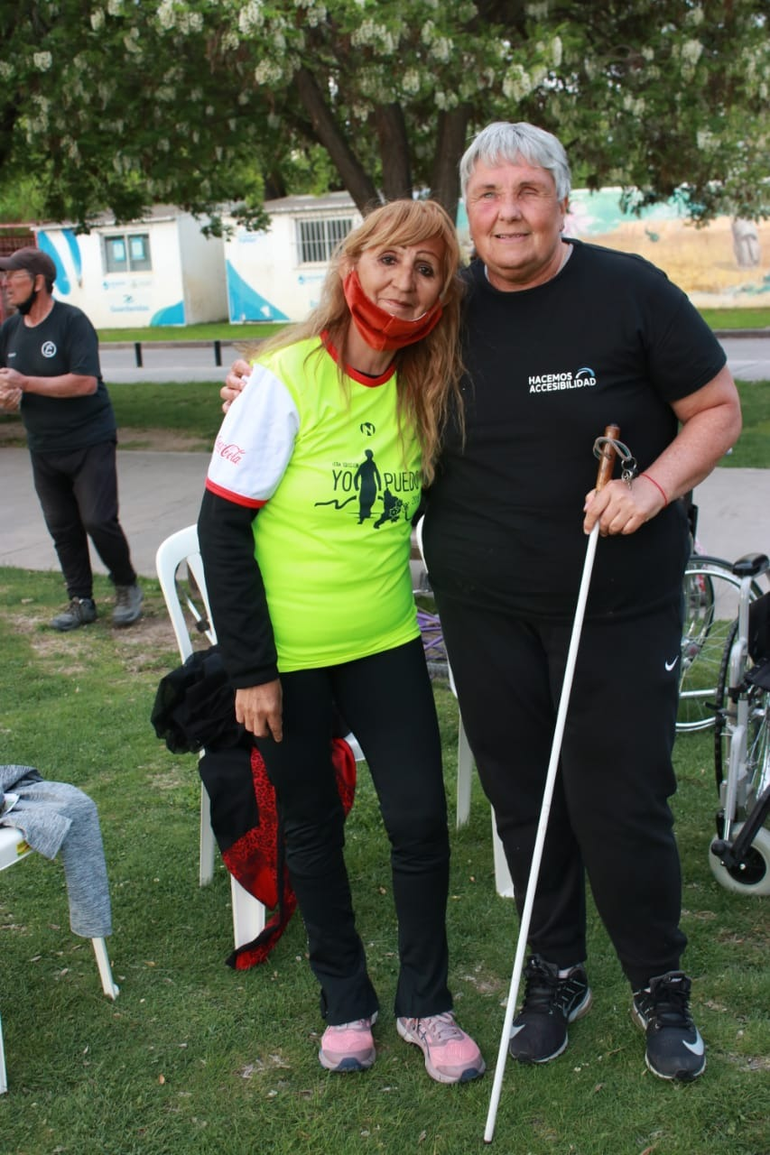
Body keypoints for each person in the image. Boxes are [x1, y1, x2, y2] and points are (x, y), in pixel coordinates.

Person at [223, 124, 742, 1084]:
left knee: (618, 797)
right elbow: (346, 354)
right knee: (524, 799)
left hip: (614, 605)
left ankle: (659, 983)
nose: (508, 211)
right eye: (490, 194)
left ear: (560, 202)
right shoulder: (444, 308)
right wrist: (256, 381)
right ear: (470, 210)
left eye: (529, 191)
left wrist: (651, 488)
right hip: (482, 608)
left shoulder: (631, 292)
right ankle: (554, 973)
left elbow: (718, 408)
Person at [197, 199, 484, 1084]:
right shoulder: (281, 378)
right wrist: (251, 670)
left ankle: (426, 1004)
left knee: (418, 822)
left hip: (386, 644)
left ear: (441, 295)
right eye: (390, 260)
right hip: (287, 663)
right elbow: (222, 531)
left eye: (427, 269)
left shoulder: (426, 385)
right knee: (313, 826)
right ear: (352, 265)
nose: (404, 282)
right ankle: (344, 999)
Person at [0, 247, 142, 631]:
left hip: (89, 440)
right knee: (61, 526)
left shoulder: (72, 322)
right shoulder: (10, 331)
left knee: (97, 519)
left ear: (39, 282)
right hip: (44, 446)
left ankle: (127, 585)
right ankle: (81, 600)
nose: (5, 284)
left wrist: (25, 383)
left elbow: (84, 382)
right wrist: (8, 397)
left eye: (13, 276)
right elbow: (7, 386)